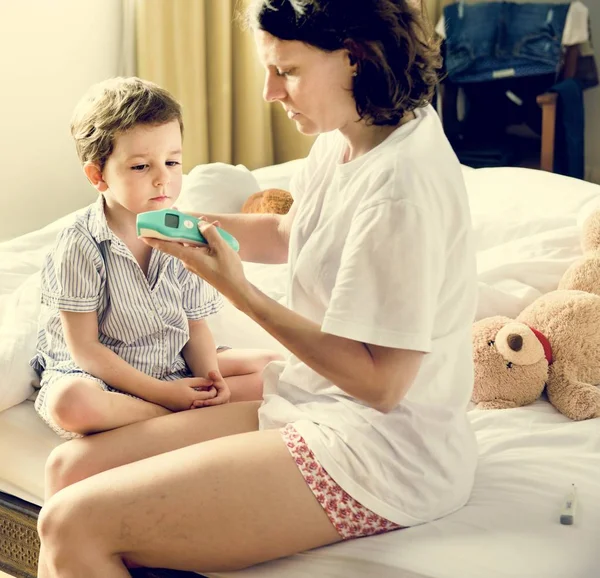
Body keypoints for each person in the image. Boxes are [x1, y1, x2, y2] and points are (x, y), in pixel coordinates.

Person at [36, 1, 479, 575]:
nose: (270, 92)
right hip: (311, 401)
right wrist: (189, 228)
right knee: (69, 470)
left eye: (287, 71)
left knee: (70, 521)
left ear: (355, 59)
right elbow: (289, 232)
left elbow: (381, 385)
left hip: (380, 451)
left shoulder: (401, 193)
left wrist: (240, 291)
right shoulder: (348, 137)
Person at [30, 77, 281, 440]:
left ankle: (191, 408)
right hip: (101, 376)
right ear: (97, 175)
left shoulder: (185, 232)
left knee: (274, 367)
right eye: (141, 167)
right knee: (71, 403)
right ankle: (173, 415)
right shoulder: (79, 243)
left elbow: (195, 327)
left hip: (170, 363)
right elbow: (85, 350)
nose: (163, 179)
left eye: (172, 162)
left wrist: (210, 376)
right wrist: (165, 396)